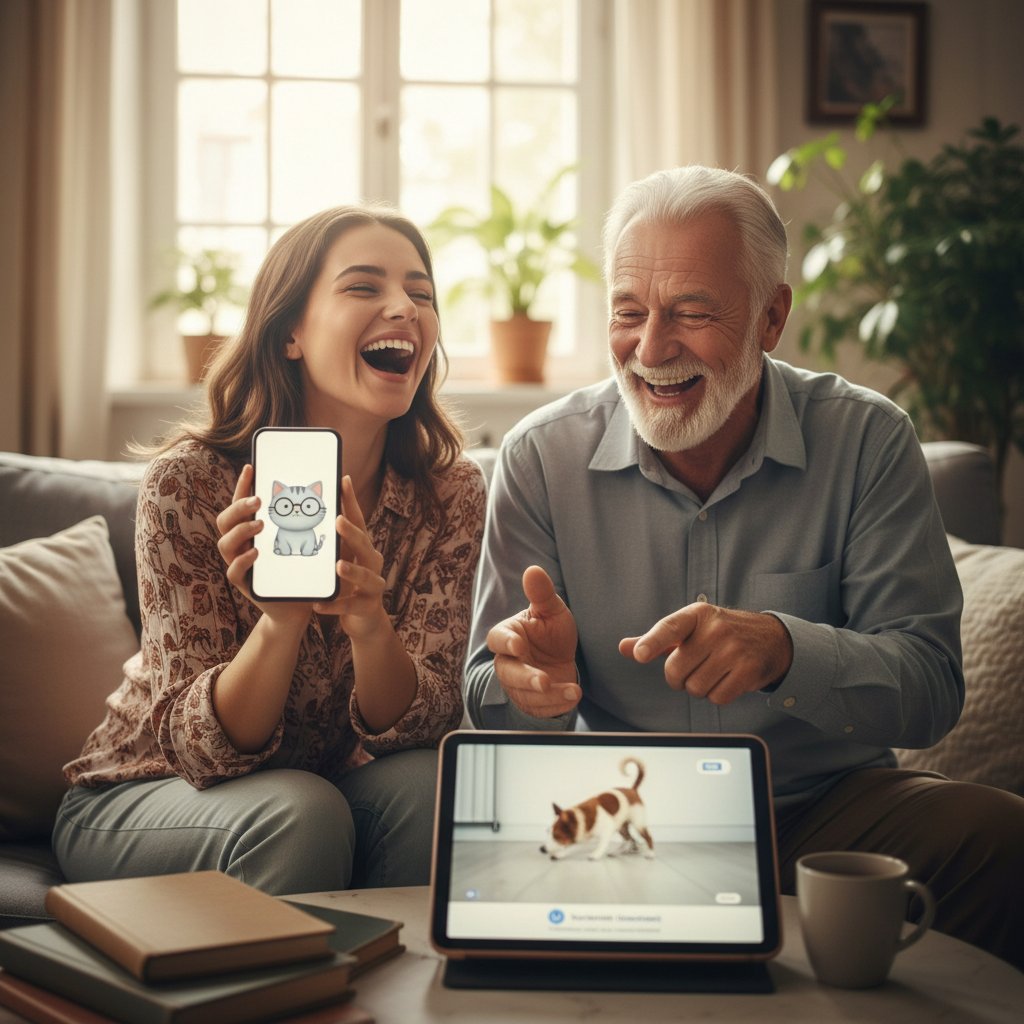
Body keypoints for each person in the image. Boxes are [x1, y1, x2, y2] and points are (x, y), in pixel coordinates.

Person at [465, 165, 1024, 967]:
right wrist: (535, 688)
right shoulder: (540, 456)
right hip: (621, 811)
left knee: (1004, 843)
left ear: (772, 316)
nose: (651, 349)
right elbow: (485, 696)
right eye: (629, 313)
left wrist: (788, 650)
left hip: (829, 809)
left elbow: (931, 689)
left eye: (692, 313)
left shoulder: (868, 440)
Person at [54, 204, 487, 894]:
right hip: (144, 792)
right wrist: (281, 620)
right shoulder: (188, 483)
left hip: (319, 787)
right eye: (364, 286)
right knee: (300, 813)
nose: (404, 307)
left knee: (433, 787)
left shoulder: (451, 493)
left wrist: (370, 625)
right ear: (290, 332)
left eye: (421, 292)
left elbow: (422, 725)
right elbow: (199, 750)